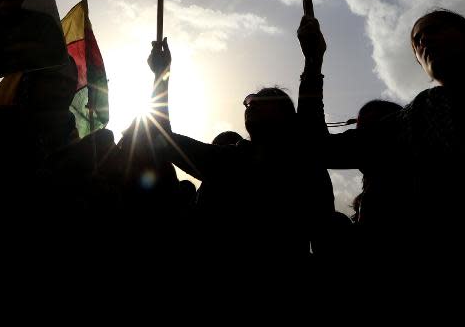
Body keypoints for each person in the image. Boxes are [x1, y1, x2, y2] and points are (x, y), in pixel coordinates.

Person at [318, 9, 465, 244]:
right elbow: (323, 150)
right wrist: (313, 62)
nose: (424, 40)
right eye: (417, 40)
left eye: (433, 30)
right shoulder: (415, 117)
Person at [144, 26, 335, 266]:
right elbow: (162, 139)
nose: (249, 105)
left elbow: (324, 239)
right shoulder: (229, 160)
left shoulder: (306, 168)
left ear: (285, 116)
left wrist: (313, 61)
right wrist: (161, 74)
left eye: (258, 101)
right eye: (248, 102)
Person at [0, 0, 67, 79]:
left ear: (21, 0)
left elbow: (57, 53)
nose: (4, 5)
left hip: (42, 78)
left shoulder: (42, 20)